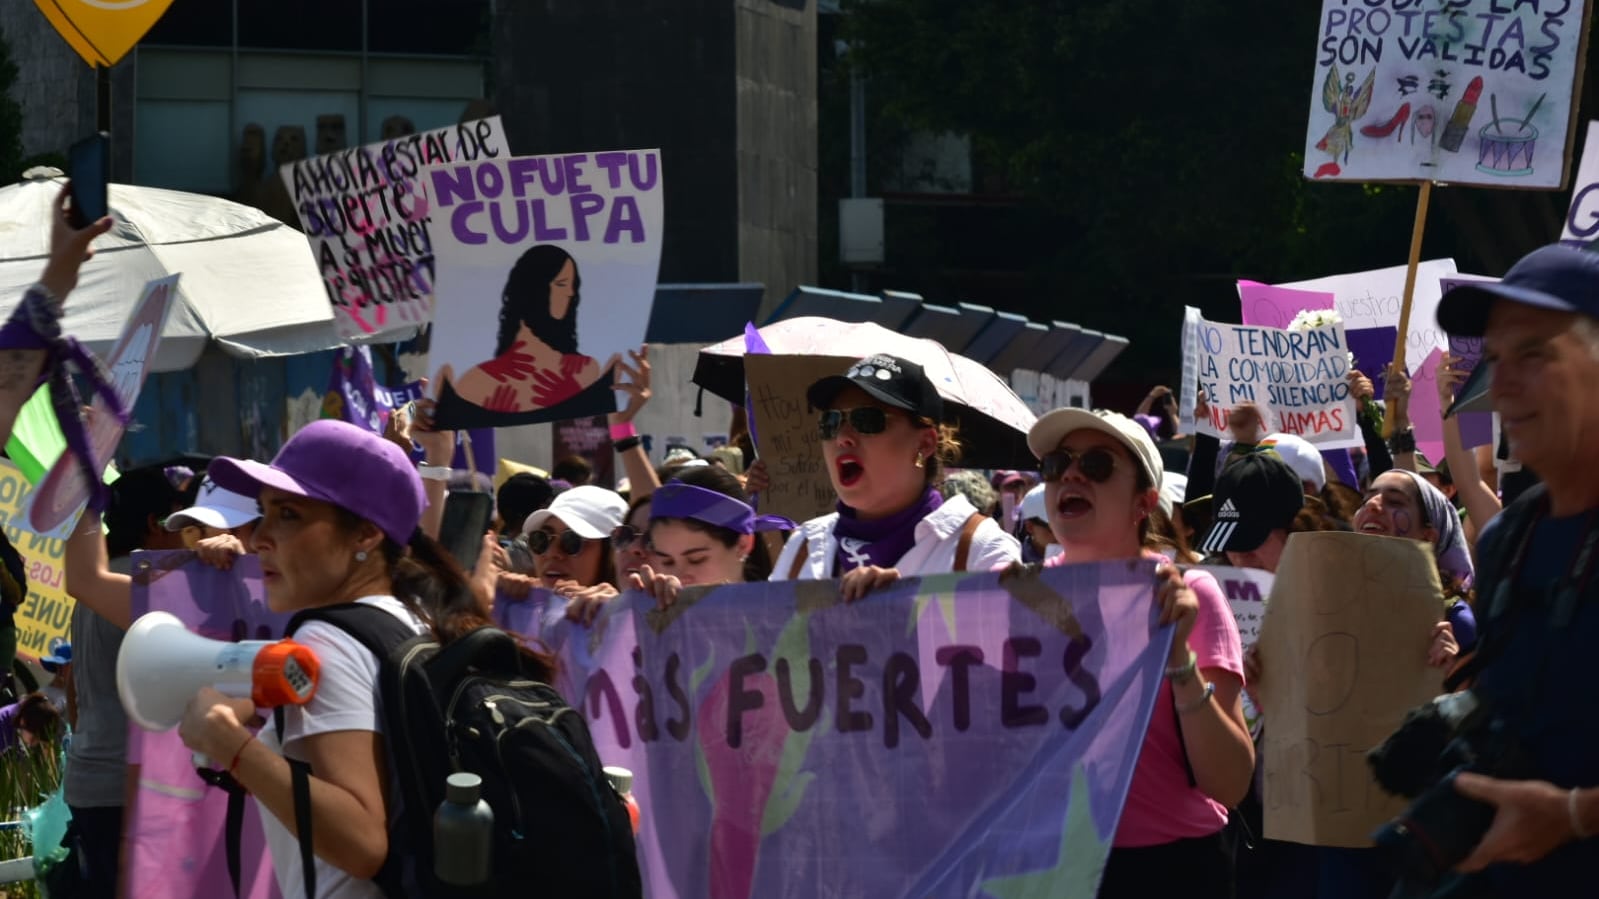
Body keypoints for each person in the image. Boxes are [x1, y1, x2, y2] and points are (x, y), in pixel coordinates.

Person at [179, 419, 550, 897]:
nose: (259, 538)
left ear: (366, 536)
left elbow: (362, 844)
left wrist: (232, 747)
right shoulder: (417, 618)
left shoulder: (328, 639)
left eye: (288, 514)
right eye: (263, 512)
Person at [1397, 244, 1599, 892]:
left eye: (1533, 354)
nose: (1501, 384)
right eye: (1494, 358)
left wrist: (1572, 814)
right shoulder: (1509, 536)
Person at [1020, 408, 1252, 897]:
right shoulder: (1017, 598)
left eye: (1098, 465)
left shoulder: (1189, 595)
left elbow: (1230, 785)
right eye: (1057, 464)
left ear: (1144, 502)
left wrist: (1179, 661)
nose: (1072, 475)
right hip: (1050, 868)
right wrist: (885, 610)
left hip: (1170, 871)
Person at [771, 354, 1019, 598]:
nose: (842, 437)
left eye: (867, 420)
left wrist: (901, 609)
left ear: (925, 444)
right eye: (831, 421)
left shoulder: (980, 549)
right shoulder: (804, 544)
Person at [433, 245, 610, 418]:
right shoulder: (476, 383)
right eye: (561, 284)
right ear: (534, 289)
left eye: (573, 285)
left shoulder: (585, 370)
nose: (571, 292)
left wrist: (571, 396)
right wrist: (489, 417)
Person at [630, 468, 792, 607]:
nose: (679, 576)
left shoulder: (781, 619)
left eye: (696, 559)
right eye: (667, 562)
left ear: (743, 544)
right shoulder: (652, 617)